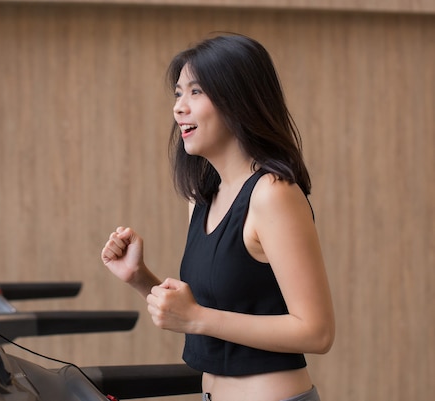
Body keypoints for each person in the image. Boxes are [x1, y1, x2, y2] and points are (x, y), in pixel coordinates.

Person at [100, 33, 335, 401]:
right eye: (178, 93)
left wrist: (196, 317)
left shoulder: (273, 194)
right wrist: (140, 278)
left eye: (196, 92)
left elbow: (317, 332)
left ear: (239, 100)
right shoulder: (203, 198)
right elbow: (205, 311)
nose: (179, 107)